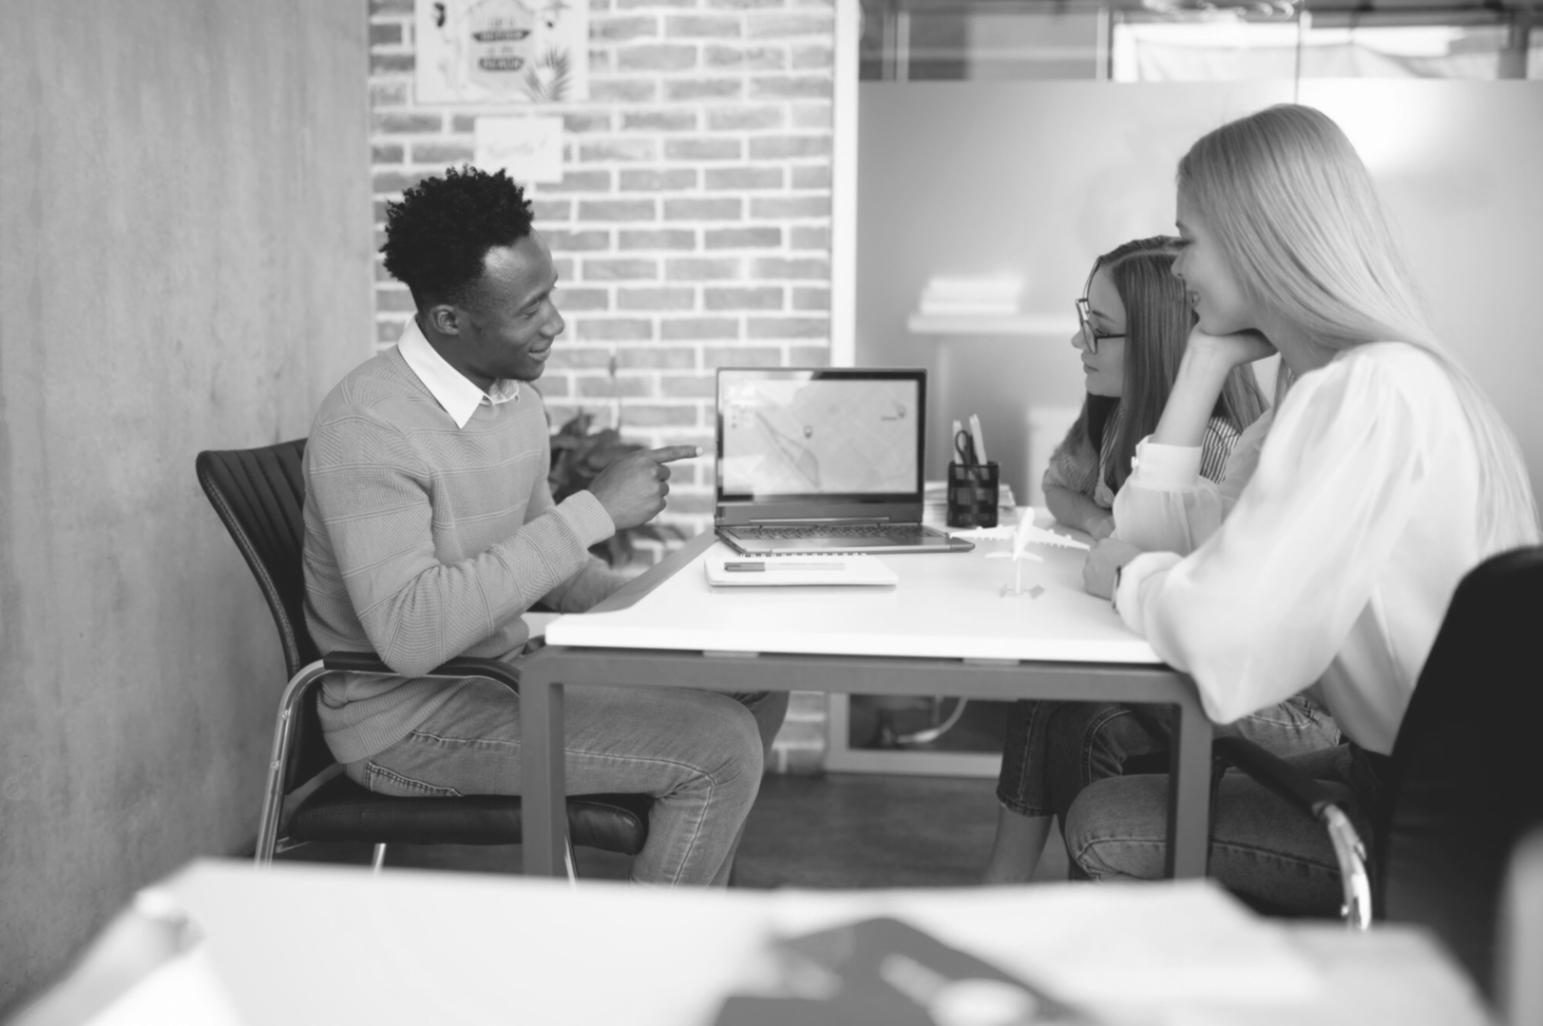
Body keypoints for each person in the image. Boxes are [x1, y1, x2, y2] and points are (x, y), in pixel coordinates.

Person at [1061, 104, 1541, 911]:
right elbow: (1174, 536)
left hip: (1432, 832)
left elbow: (1221, 638)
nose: (1176, 268)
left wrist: (1127, 578)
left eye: (1187, 240)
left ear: (1256, 239)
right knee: (1109, 764)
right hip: (1431, 794)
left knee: (1106, 822)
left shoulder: (1367, 393)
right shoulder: (1336, 393)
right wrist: (1202, 362)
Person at [302, 165, 788, 886]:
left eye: (550, 294)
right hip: (408, 722)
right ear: (449, 321)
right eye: (531, 309)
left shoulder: (512, 401)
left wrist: (668, 610)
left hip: (502, 677)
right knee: (722, 748)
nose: (555, 322)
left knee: (754, 682)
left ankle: (687, 903)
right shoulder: (369, 427)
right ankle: (654, 953)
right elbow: (410, 635)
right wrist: (593, 511)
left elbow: (548, 568)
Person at [984, 236, 1340, 885]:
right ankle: (1026, 889)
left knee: (1068, 702)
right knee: (1056, 697)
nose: (1079, 342)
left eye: (1099, 329)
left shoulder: (1228, 445)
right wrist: (1110, 536)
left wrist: (1127, 566)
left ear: (1152, 341)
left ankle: (1023, 885)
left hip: (1275, 698)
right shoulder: (1124, 421)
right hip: (1215, 660)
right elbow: (1078, 497)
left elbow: (1187, 596)